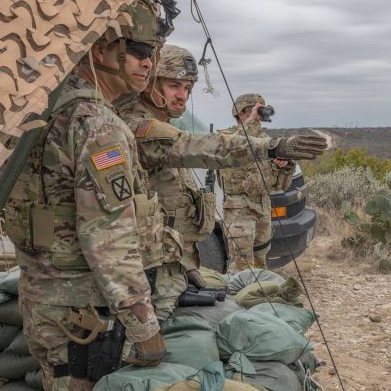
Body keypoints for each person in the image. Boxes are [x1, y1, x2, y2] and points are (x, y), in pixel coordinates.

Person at [4, 0, 168, 390]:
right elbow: (108, 238)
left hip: (45, 300)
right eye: (138, 51)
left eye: (153, 53)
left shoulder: (39, 109)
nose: (148, 63)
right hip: (81, 313)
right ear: (99, 50)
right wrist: (143, 325)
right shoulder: (95, 124)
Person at [116, 45, 328, 318]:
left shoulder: (162, 125)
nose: (182, 96)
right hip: (149, 279)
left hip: (172, 270)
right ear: (149, 83)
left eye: (187, 88)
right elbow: (197, 146)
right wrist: (273, 146)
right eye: (173, 86)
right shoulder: (137, 126)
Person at [218, 94, 296, 272]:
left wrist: (285, 165)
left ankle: (256, 299)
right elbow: (235, 146)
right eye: (254, 111)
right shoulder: (228, 137)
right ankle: (237, 298)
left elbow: (280, 185)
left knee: (260, 265)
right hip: (240, 210)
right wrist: (252, 122)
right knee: (241, 267)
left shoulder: (266, 141)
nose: (259, 116)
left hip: (262, 208)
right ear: (242, 113)